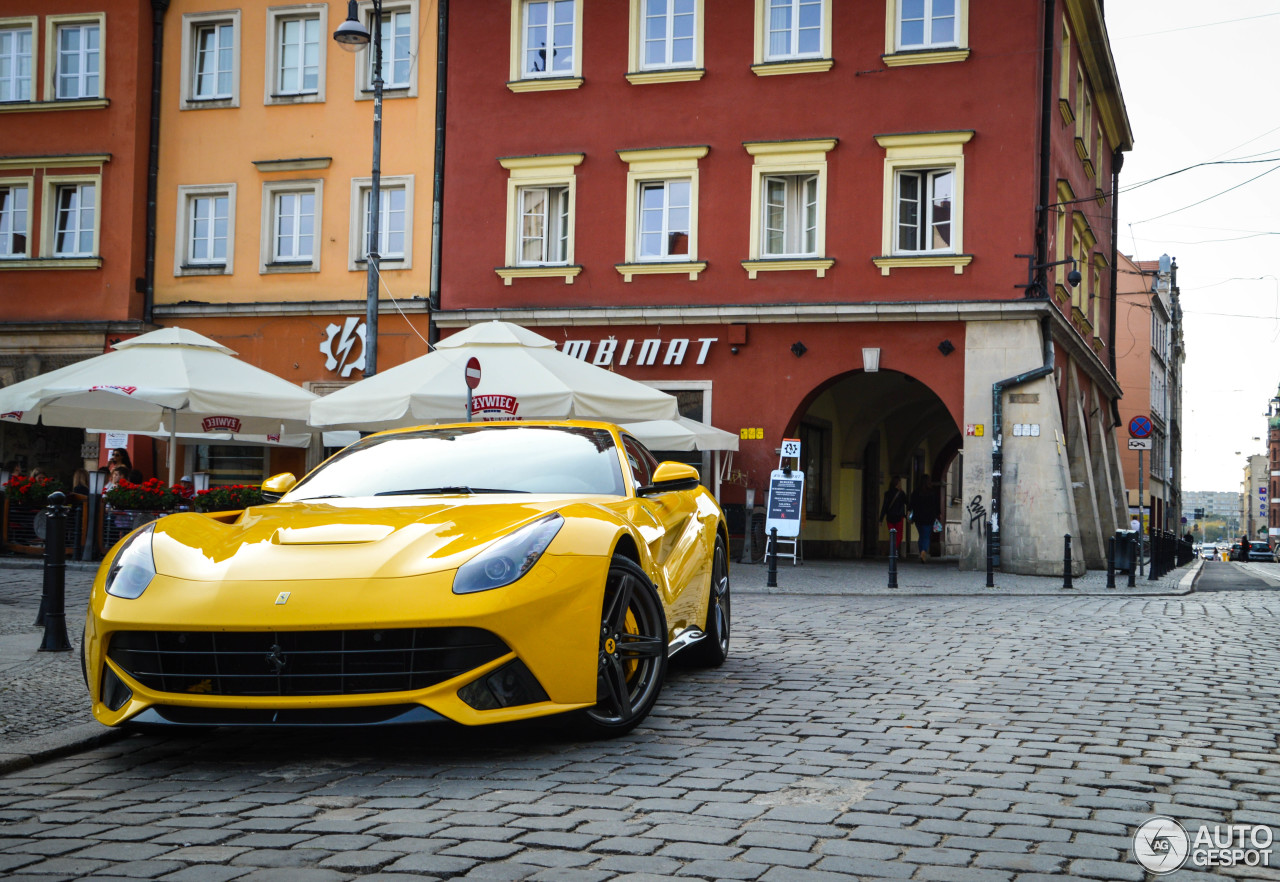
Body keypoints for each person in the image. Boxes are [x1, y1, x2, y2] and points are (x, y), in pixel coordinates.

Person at [910, 475, 941, 563]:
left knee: (921, 536)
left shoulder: (916, 492)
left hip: (918, 518)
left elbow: (911, 505)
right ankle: (923, 551)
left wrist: (910, 514)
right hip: (929, 518)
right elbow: (937, 505)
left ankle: (921, 552)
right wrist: (938, 514)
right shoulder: (932, 492)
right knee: (926, 536)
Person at [879, 476, 908, 554]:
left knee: (892, 534)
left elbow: (884, 506)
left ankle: (893, 549)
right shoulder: (901, 493)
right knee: (899, 536)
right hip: (899, 517)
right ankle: (893, 549)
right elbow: (907, 502)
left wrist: (881, 519)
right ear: (898, 483)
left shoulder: (887, 493)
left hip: (890, 518)